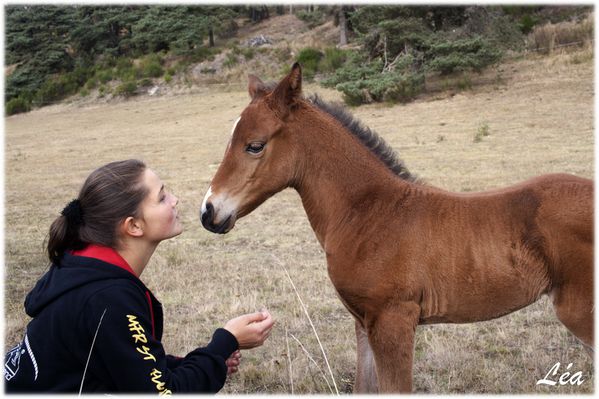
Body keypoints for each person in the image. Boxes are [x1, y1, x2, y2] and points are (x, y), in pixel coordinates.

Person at [4, 159, 274, 394]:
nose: (175, 200)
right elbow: (164, 393)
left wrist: (205, 360)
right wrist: (226, 341)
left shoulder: (80, 265)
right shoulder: (109, 299)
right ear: (133, 226)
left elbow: (123, 364)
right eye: (161, 197)